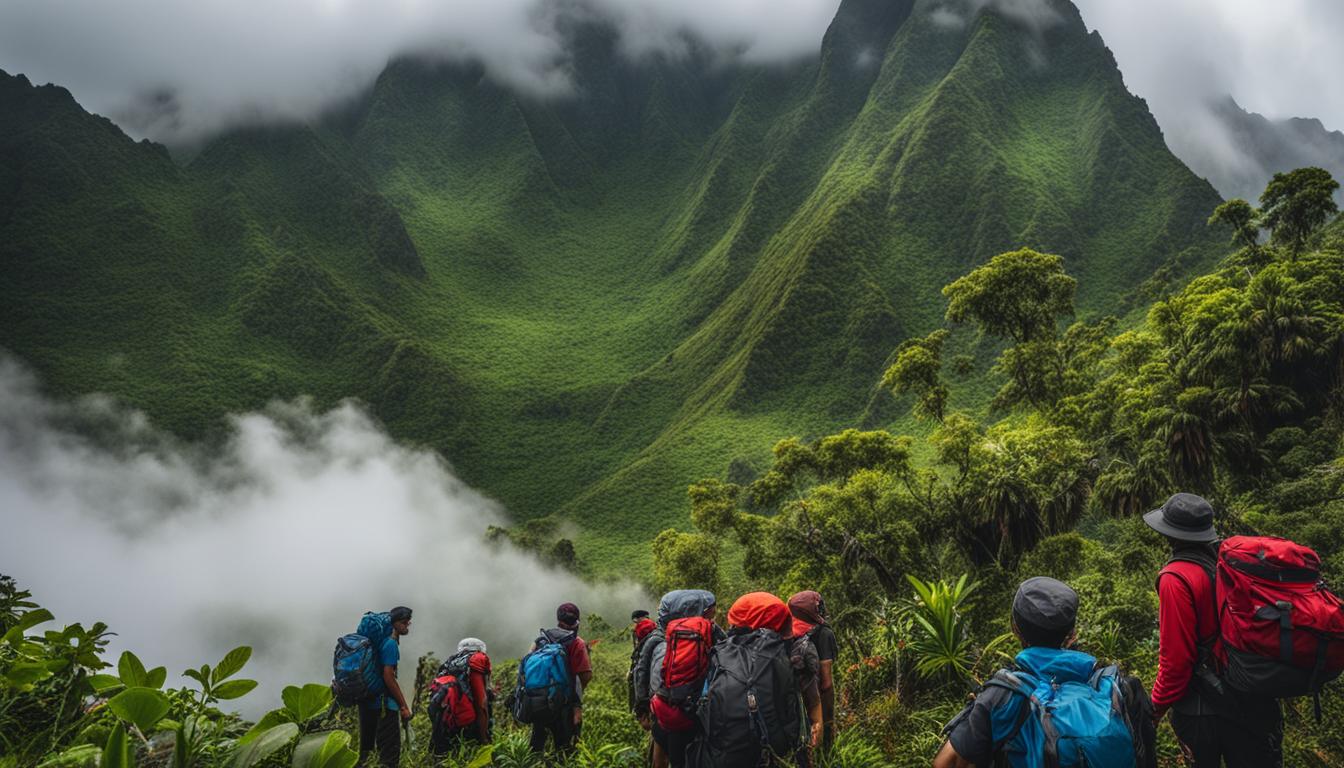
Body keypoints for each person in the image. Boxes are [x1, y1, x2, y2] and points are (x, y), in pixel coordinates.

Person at [935, 578, 1155, 768]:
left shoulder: (1003, 697)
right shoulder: (1118, 687)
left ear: (1015, 629)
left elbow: (946, 763)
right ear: (1072, 634)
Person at [1144, 493, 1283, 767]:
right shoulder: (1231, 565)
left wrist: (1153, 710)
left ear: (1169, 534)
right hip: (1255, 698)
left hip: (1202, 710)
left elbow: (1176, 663)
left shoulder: (1176, 578)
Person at [688, 591, 816, 768]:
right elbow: (792, 710)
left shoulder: (720, 651)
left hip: (723, 754)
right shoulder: (779, 653)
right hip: (772, 751)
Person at [648, 591, 721, 768]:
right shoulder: (709, 638)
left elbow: (654, 682)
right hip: (695, 719)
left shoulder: (662, 644)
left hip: (666, 716)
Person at [528, 602, 593, 757]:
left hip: (538, 701)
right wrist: (575, 698)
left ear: (558, 619)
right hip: (564, 704)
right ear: (576, 621)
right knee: (565, 750)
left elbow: (527, 664)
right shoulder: (577, 643)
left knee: (536, 744)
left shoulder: (541, 639)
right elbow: (586, 675)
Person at [359, 606, 413, 768]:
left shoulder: (379, 642)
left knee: (365, 751)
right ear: (395, 623)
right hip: (384, 705)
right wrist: (403, 705)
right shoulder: (390, 644)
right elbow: (388, 676)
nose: (408, 624)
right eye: (404, 621)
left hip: (367, 700)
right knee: (389, 755)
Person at [429, 637, 493, 762]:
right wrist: (484, 738)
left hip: (447, 721)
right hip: (467, 722)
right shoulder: (476, 661)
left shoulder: (451, 663)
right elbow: (481, 703)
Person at [789, 591, 837, 755]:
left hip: (790, 697)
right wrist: (829, 720)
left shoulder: (786, 631)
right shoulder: (824, 633)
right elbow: (826, 683)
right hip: (813, 695)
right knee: (817, 734)